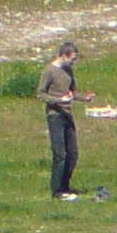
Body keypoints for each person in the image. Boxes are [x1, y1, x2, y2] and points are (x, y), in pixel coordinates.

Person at [35, 42, 90, 199]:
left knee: (73, 153)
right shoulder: (49, 71)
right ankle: (56, 190)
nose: (74, 62)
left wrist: (84, 98)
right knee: (60, 153)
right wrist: (59, 101)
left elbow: (72, 92)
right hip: (55, 115)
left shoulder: (68, 71)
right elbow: (41, 94)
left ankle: (66, 186)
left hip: (67, 114)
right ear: (64, 55)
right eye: (73, 59)